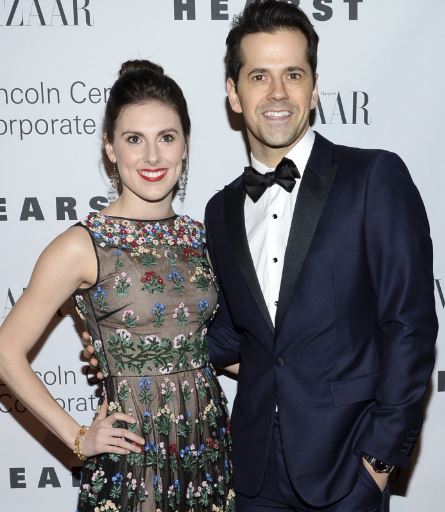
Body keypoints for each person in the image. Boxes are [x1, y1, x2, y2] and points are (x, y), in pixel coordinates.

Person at [202, 1, 437, 511]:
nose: (278, 93)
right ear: (233, 94)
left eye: (293, 74)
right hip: (255, 474)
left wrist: (377, 464)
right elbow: (229, 330)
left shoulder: (373, 179)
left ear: (313, 88)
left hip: (345, 469)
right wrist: (133, 345)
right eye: (258, 76)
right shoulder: (220, 210)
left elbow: (411, 326)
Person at [0, 60, 234, 512]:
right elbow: (6, 351)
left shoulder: (203, 236)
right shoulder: (81, 244)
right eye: (133, 140)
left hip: (209, 453)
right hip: (134, 462)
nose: (151, 157)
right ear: (110, 147)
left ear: (185, 144)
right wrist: (78, 437)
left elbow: (228, 343)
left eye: (166, 138)